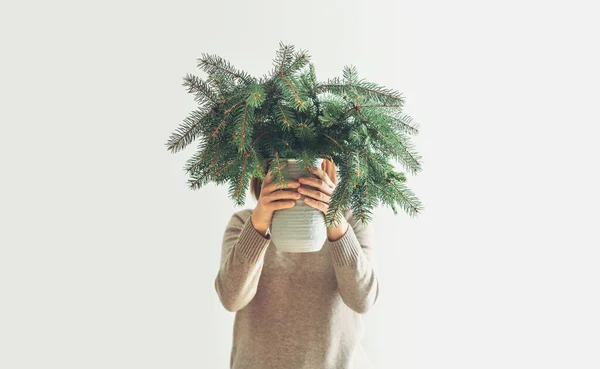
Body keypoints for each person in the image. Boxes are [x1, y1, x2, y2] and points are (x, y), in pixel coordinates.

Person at [214, 158, 380, 369]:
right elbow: (231, 298)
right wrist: (259, 224)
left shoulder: (352, 222)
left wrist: (336, 223)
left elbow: (363, 300)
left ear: (326, 166)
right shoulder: (243, 224)